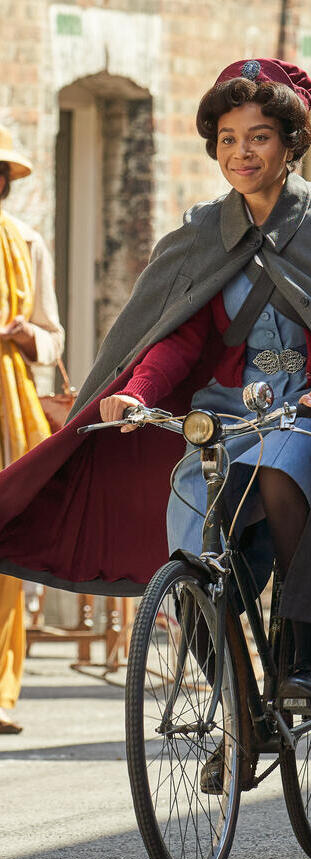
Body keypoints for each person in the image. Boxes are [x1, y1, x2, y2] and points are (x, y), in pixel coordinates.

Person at [0, 60, 311, 699]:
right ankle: (235, 698)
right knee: (189, 531)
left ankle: (304, 660)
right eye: (227, 139)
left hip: (309, 406)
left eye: (258, 137)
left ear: (290, 143)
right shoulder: (202, 231)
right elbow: (179, 333)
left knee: (280, 474)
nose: (241, 153)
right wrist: (136, 393)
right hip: (224, 408)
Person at [0, 128, 65, 733]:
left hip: (10, 404)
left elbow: (52, 337)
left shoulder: (26, 242)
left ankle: (0, 690)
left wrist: (26, 334)